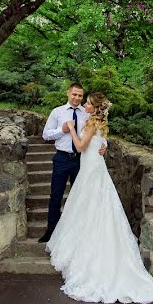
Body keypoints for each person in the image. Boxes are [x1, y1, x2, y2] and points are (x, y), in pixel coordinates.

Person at [46, 92, 153, 304]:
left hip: (91, 170)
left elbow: (79, 147)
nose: (84, 104)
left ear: (95, 108)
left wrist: (73, 131)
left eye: (87, 103)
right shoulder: (101, 123)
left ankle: (89, 252)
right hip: (95, 168)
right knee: (94, 207)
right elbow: (99, 144)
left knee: (89, 206)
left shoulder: (91, 124)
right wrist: (103, 146)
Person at [39, 83, 104, 243]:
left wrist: (104, 145)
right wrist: (62, 130)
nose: (77, 98)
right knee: (56, 196)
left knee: (81, 197)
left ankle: (79, 232)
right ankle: (51, 231)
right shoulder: (57, 112)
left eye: (80, 96)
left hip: (81, 160)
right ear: (68, 93)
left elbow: (98, 131)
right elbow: (46, 135)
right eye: (74, 94)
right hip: (61, 158)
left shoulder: (88, 112)